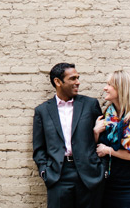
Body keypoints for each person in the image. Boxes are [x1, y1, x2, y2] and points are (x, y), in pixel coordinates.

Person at [33, 63, 105, 208]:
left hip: (89, 175)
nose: (77, 82)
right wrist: (44, 171)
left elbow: (103, 139)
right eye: (72, 78)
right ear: (58, 82)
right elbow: (39, 147)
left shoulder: (90, 105)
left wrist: (101, 169)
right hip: (58, 175)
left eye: (78, 78)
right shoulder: (42, 111)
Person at [93, 70, 130, 208]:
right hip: (105, 184)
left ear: (122, 88)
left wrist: (108, 150)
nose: (105, 88)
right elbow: (94, 149)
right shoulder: (106, 116)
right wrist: (95, 132)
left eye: (109, 85)